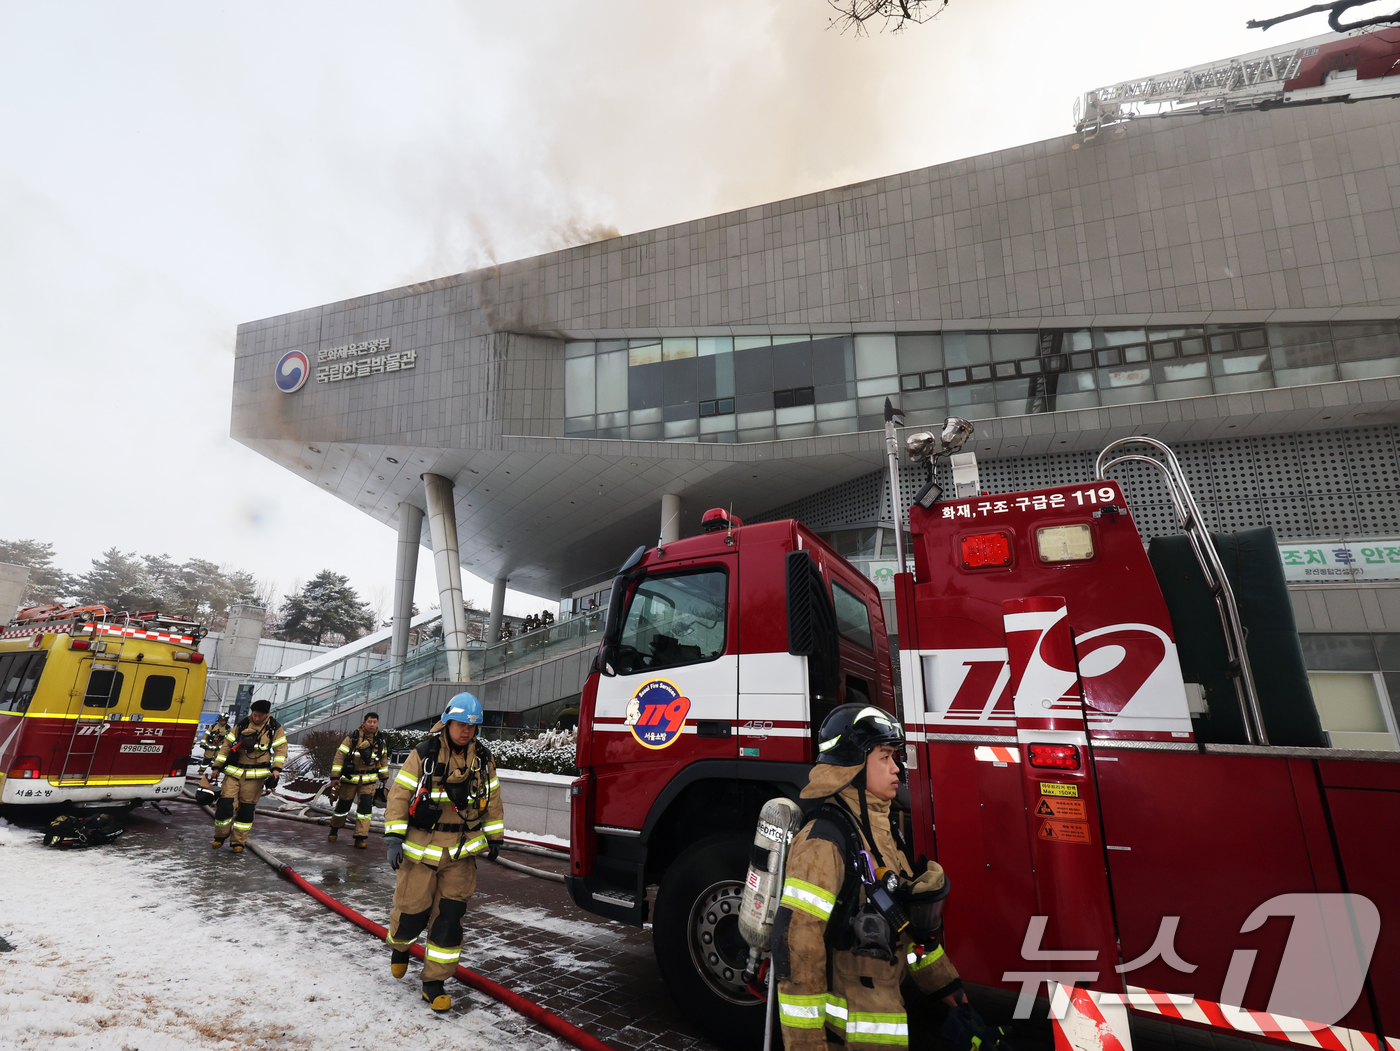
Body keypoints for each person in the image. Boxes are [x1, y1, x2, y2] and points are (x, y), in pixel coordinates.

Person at [774, 704, 1010, 1051]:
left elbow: (908, 929)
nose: (896, 767)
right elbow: (799, 953)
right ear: (852, 766)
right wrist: (807, 1045)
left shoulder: (882, 832)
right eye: (884, 757)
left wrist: (953, 996)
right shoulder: (822, 842)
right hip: (847, 1038)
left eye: (894, 757)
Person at [382, 692, 505, 1013]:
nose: (466, 730)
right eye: (461, 724)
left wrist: (494, 836)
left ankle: (434, 982)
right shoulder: (424, 754)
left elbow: (492, 799)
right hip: (421, 851)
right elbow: (399, 795)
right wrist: (394, 838)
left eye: (472, 726)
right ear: (448, 722)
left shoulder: (483, 760)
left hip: (461, 853)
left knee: (449, 920)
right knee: (411, 912)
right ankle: (400, 946)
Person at [208, 699, 287, 853]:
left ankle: (238, 842)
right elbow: (226, 746)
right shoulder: (242, 724)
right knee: (225, 805)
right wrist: (217, 766)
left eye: (260, 716)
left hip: (255, 777)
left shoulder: (274, 728)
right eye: (254, 715)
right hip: (234, 772)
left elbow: (281, 749)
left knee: (246, 809)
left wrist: (277, 769)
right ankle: (220, 836)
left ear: (268, 713)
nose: (256, 718)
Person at [328, 712, 390, 848]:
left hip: (368, 781)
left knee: (365, 810)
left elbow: (383, 759)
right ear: (364, 723)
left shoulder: (380, 740)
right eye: (370, 722)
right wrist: (335, 776)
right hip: (349, 780)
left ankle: (360, 838)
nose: (372, 724)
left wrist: (384, 777)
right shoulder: (353, 738)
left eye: (375, 722)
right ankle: (334, 830)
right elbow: (339, 756)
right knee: (343, 807)